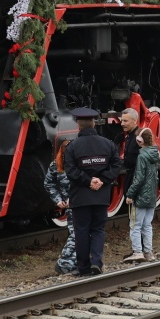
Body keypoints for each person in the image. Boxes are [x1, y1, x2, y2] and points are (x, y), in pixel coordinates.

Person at [63, 108, 121, 277]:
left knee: (81, 231)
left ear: (78, 126)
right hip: (101, 196)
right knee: (98, 229)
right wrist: (102, 179)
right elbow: (117, 165)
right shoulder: (108, 144)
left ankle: (83, 267)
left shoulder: (72, 147)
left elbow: (71, 172)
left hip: (80, 197)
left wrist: (88, 181)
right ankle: (96, 262)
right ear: (94, 123)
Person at [124, 127, 159, 263]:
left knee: (135, 225)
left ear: (139, 140)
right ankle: (148, 252)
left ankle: (137, 251)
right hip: (151, 196)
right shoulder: (155, 154)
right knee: (147, 225)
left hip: (140, 197)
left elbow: (139, 179)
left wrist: (130, 194)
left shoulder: (142, 156)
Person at [43, 138, 77, 275]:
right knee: (77, 234)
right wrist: (58, 200)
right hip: (70, 205)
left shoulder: (78, 163)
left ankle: (72, 262)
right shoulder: (55, 165)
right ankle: (64, 262)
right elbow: (49, 183)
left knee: (78, 233)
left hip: (79, 201)